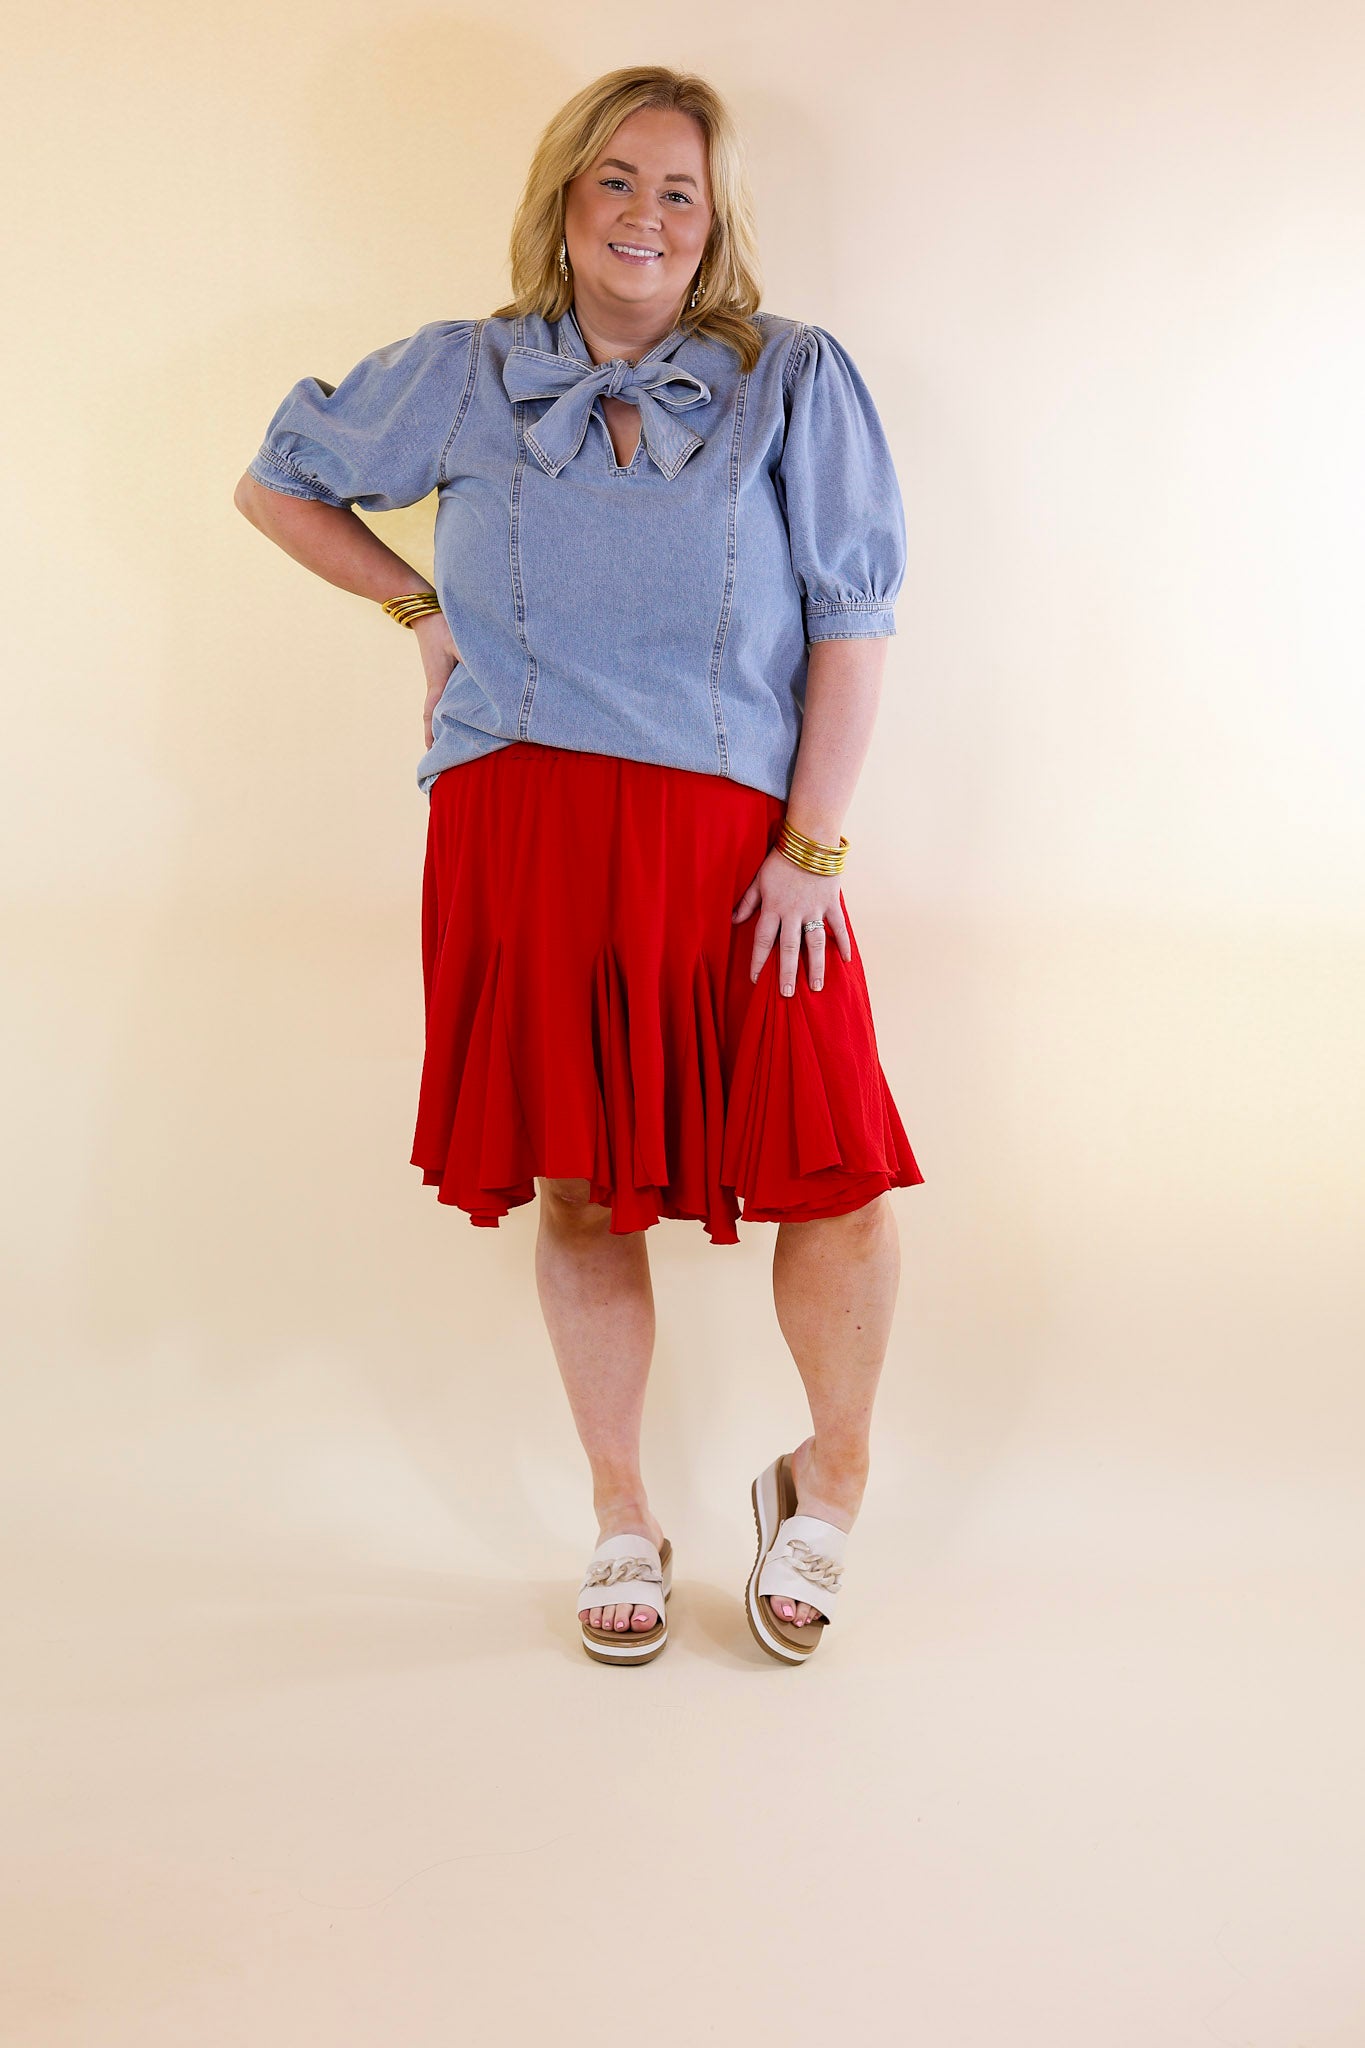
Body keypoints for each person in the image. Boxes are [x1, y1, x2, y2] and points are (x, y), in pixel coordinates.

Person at [234, 64, 924, 1669]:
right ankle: (620, 1510)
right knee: (580, 1182)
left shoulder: (790, 375)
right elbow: (276, 486)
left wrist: (812, 844)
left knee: (833, 1175)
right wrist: (420, 613)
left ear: (714, 223)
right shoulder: (462, 370)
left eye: (679, 191)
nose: (645, 216)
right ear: (562, 200)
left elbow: (853, 620)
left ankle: (826, 1481)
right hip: (520, 824)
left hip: (737, 847)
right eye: (615, 180)